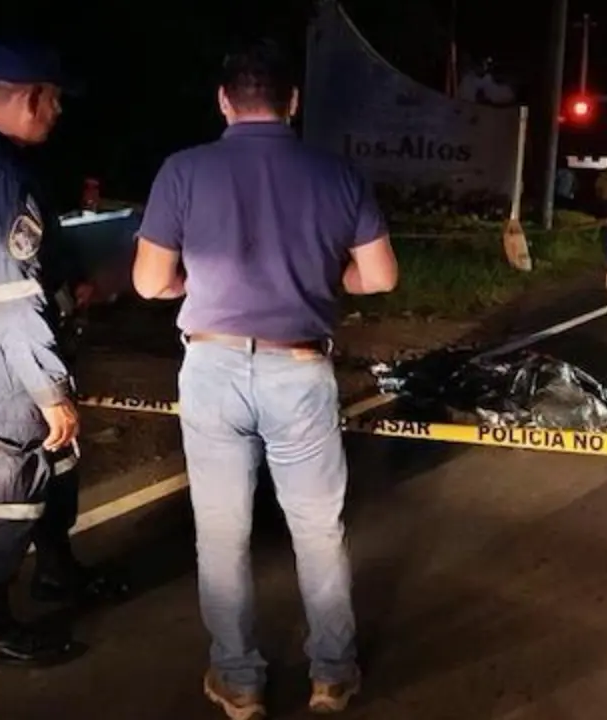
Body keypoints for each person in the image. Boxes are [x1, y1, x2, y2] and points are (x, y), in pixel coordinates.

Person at [133, 40, 396, 718]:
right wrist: (321, 275)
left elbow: (150, 282)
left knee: (222, 534)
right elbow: (380, 277)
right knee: (317, 530)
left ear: (224, 101)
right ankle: (332, 675)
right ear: (294, 102)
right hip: (301, 368)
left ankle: (239, 680)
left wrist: (199, 281)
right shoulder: (337, 174)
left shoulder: (182, 172)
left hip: (213, 368)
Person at [0, 39, 127, 668]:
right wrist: (51, 390)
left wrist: (69, 284)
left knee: (54, 461)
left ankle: (57, 570)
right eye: (55, 101)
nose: (59, 113)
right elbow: (12, 295)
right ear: (30, 97)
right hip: (3, 350)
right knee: (4, 480)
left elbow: (16, 257)